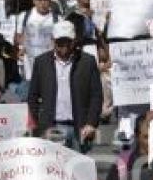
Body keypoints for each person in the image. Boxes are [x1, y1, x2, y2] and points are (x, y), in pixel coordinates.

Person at [27, 20, 102, 153]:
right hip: (50, 128)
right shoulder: (41, 62)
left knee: (77, 170)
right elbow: (33, 96)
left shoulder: (87, 62)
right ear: (53, 40)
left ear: (75, 40)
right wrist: (37, 126)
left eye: (68, 41)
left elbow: (96, 96)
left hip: (79, 127)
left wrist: (91, 123)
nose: (64, 46)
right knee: (52, 169)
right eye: (60, 42)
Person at [15, 0, 58, 79]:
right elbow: (18, 36)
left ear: (50, 1)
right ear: (34, 1)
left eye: (45, 0)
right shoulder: (25, 16)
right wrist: (20, 48)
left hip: (48, 60)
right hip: (29, 61)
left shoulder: (56, 18)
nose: (43, 3)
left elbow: (57, 40)